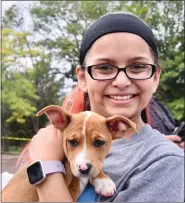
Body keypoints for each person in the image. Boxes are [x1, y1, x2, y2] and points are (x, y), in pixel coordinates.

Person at [15, 12, 185, 202]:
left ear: (155, 78)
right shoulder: (57, 137)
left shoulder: (165, 162)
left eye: (137, 66)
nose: (121, 81)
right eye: (104, 67)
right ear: (82, 78)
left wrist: (46, 167)